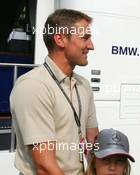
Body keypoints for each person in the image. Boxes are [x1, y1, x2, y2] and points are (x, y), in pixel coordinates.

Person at [10, 9, 99, 175]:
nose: (91, 46)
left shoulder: (84, 85)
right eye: (85, 38)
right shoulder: (33, 86)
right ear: (60, 39)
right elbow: (45, 168)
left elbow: (93, 140)